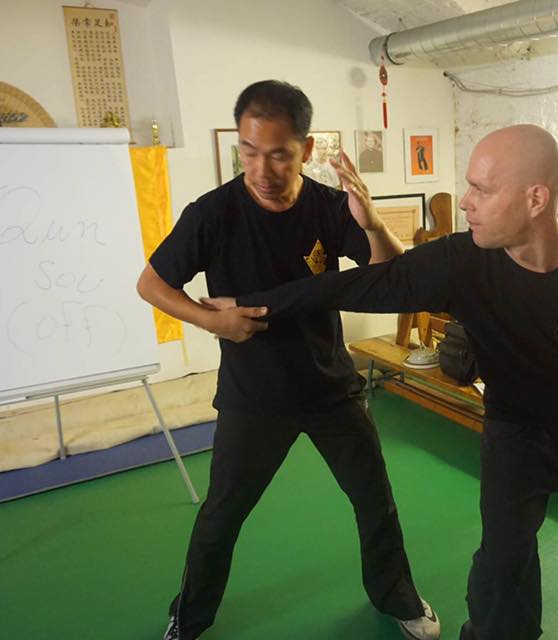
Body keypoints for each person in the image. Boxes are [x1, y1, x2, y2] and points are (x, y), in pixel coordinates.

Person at [224, 125, 558, 640]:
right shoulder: (461, 261)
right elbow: (359, 285)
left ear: (535, 199)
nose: (465, 202)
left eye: (481, 190)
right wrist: (251, 305)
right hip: (517, 432)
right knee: (503, 562)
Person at [137, 80, 440, 640]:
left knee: (374, 500)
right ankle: (190, 616)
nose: (262, 169)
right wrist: (211, 320)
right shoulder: (213, 214)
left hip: (331, 388)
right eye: (249, 151)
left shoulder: (330, 207)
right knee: (222, 514)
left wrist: (372, 223)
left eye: (278, 154)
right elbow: (151, 284)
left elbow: (393, 277)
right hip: (254, 397)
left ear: (306, 148)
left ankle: (396, 595)